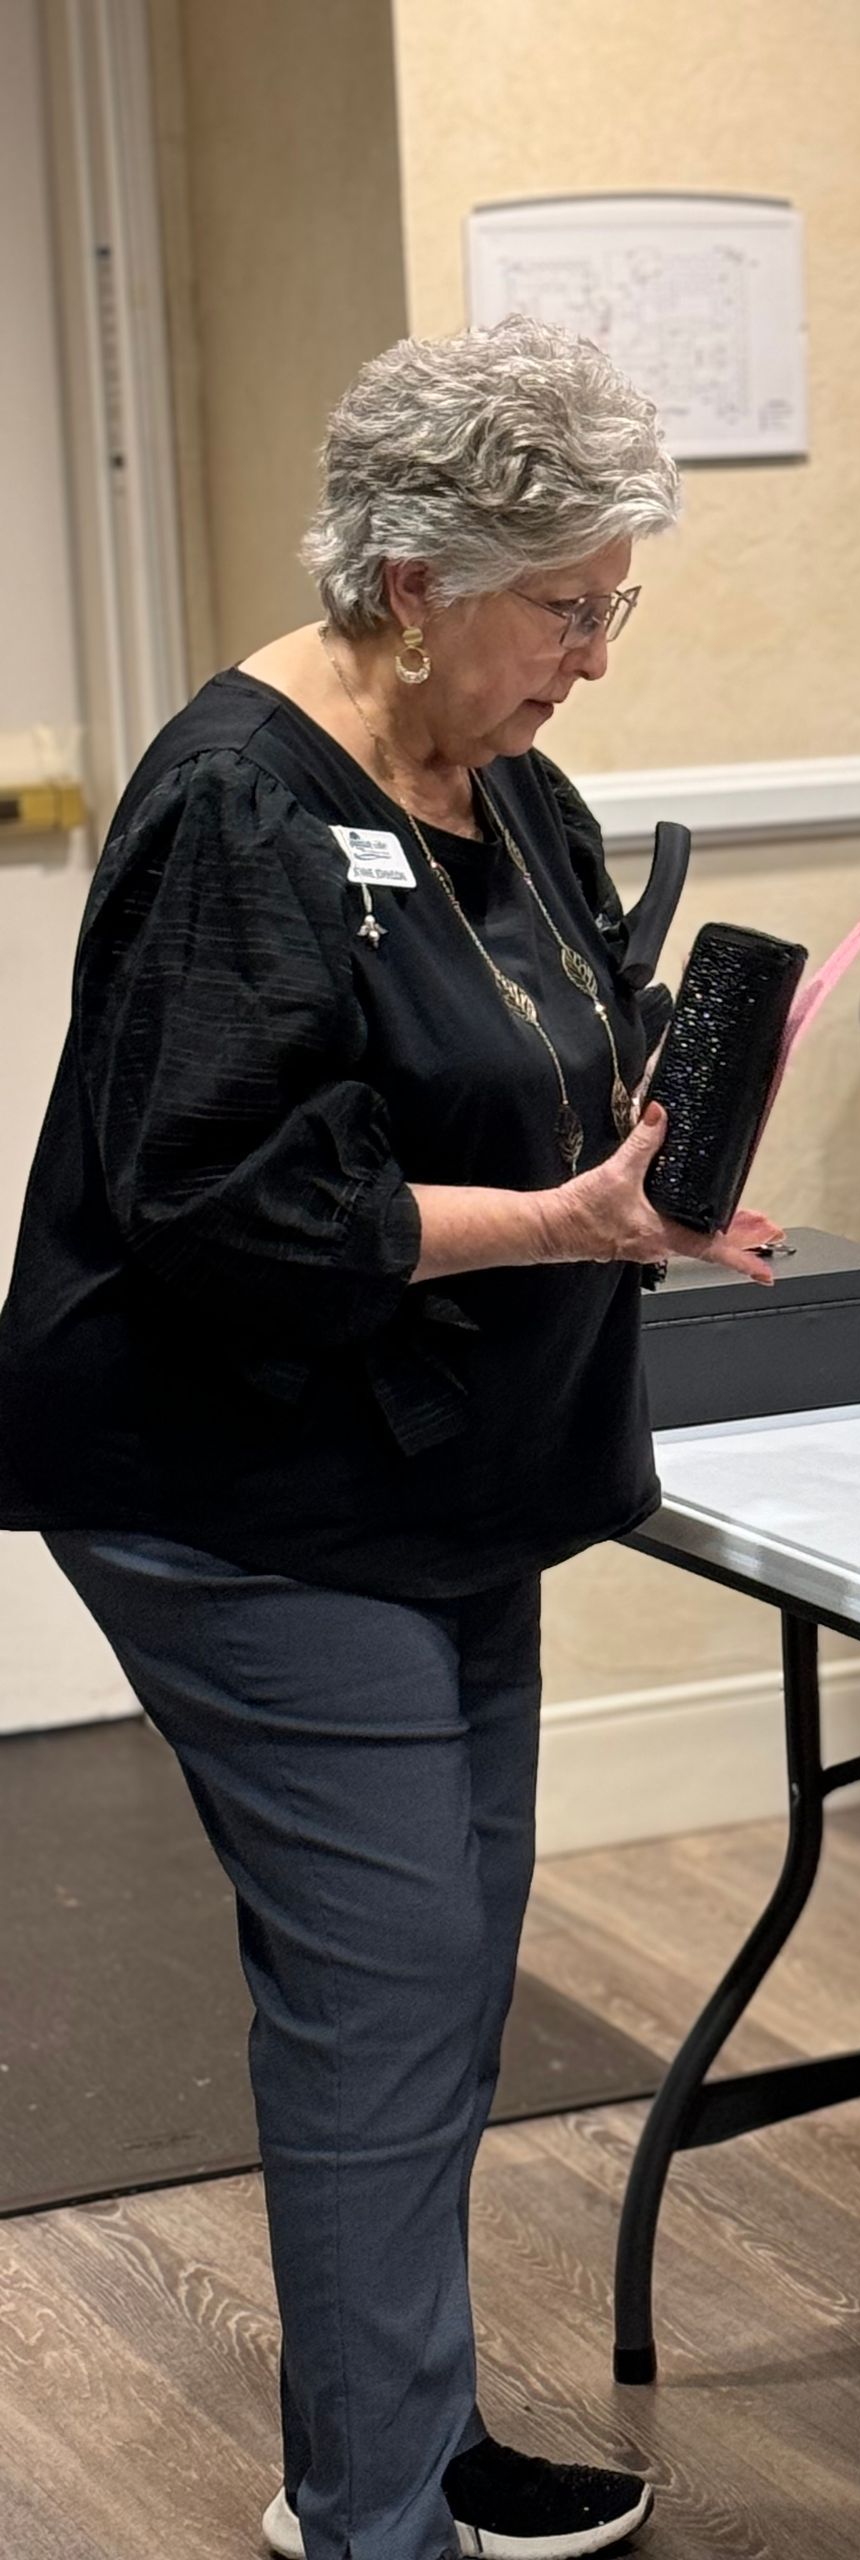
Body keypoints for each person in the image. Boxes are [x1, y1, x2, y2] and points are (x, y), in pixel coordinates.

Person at [0, 319, 778, 2559]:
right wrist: (562, 1214)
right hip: (238, 1485)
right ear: (418, 580)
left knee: (444, 1959)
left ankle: (403, 2443)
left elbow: (539, 1039)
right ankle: (372, 2515)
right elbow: (220, 1198)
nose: (595, 659)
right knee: (387, 1980)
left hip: (446, 1465)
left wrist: (658, 1145)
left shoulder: (502, 780)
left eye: (618, 605)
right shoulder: (238, 799)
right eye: (569, 609)